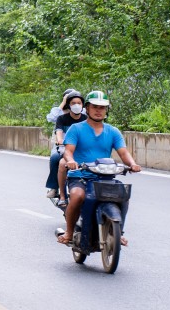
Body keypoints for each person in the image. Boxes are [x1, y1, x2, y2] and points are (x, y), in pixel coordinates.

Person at [58, 91, 141, 246]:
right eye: (95, 107)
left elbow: (123, 152)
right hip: (80, 175)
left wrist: (132, 164)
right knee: (77, 196)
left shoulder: (113, 131)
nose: (98, 110)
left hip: (105, 177)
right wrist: (70, 161)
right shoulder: (76, 129)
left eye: (102, 108)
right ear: (87, 109)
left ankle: (117, 232)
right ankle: (69, 231)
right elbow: (68, 151)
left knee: (122, 194)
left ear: (106, 110)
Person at [46, 91, 86, 202]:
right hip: (63, 147)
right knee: (55, 159)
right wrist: (60, 140)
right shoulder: (61, 117)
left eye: (79, 102)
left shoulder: (86, 118)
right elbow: (57, 129)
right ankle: (56, 189)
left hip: (80, 147)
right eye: (73, 102)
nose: (76, 105)